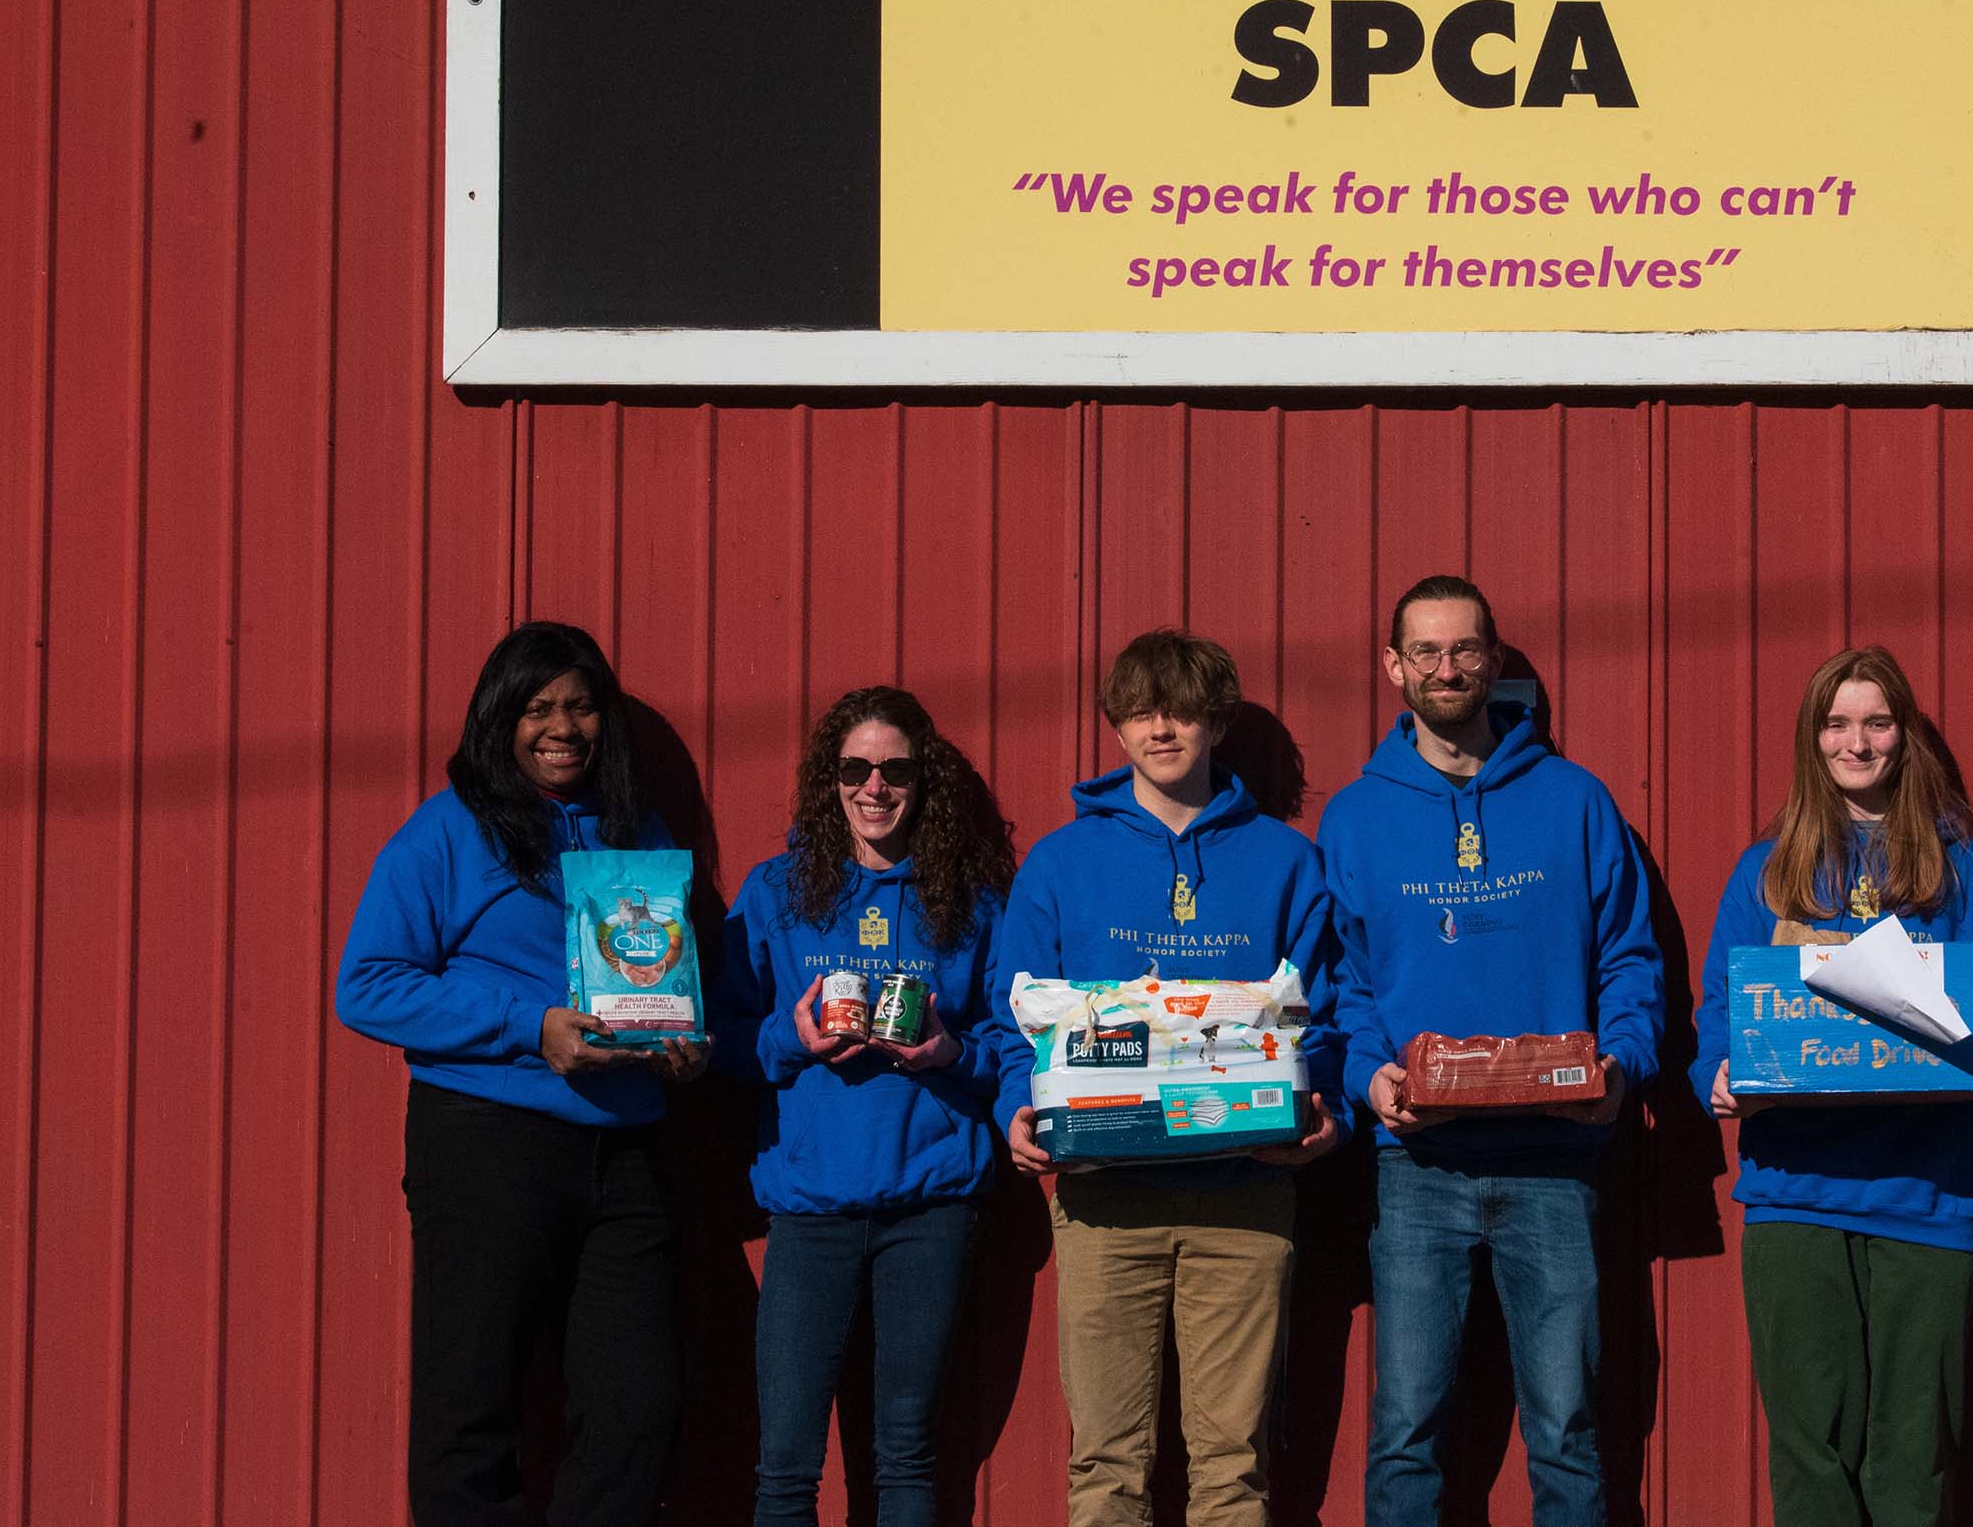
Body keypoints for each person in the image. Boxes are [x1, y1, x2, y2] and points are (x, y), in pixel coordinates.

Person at [1692, 645, 1973, 1527]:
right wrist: (1713, 1073)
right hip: (1797, 1198)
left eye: (1877, 722)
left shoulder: (1967, 868)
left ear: (1905, 736)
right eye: (1837, 723)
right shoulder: (1766, 872)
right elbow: (1719, 1010)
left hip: (1931, 1198)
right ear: (1812, 738)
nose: (1858, 742)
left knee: (1914, 1463)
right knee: (1811, 1459)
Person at [334, 621, 710, 1527]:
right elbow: (367, 984)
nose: (562, 727)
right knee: (470, 1408)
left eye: (581, 706)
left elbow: (681, 980)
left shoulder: (638, 835)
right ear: (500, 719)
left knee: (637, 1410)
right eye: (538, 707)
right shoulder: (449, 831)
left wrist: (691, 1045)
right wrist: (528, 1027)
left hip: (624, 1149)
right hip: (487, 1141)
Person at [1318, 574, 1666, 1527]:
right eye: (1425, 651)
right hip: (1417, 1165)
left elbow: (1630, 959)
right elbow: (1342, 982)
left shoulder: (1575, 800)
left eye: (1464, 649)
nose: (1446, 668)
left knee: (1569, 1430)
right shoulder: (1355, 816)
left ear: (1495, 658)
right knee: (1406, 1431)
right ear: (1393, 666)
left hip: (1554, 1158)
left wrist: (1620, 1065)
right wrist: (1369, 1078)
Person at [989, 628, 1343, 1527]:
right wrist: (1016, 1107)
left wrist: (1324, 1109)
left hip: (1245, 1196)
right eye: (1141, 711)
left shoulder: (1285, 860)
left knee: (1234, 1466)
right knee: (1106, 1463)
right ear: (1115, 726)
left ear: (1216, 722)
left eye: (1181, 710)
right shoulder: (1061, 862)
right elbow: (1012, 1014)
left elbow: (1327, 1011)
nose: (1160, 728)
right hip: (1104, 1199)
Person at [716, 686, 1016, 1527]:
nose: (874, 787)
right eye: (855, 769)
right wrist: (792, 1040)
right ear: (831, 778)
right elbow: (719, 1039)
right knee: (785, 1466)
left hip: (931, 1204)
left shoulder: (971, 901)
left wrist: (953, 1053)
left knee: (906, 1458)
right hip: (810, 1206)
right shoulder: (776, 892)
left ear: (924, 781)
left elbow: (1016, 1042)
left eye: (895, 769)